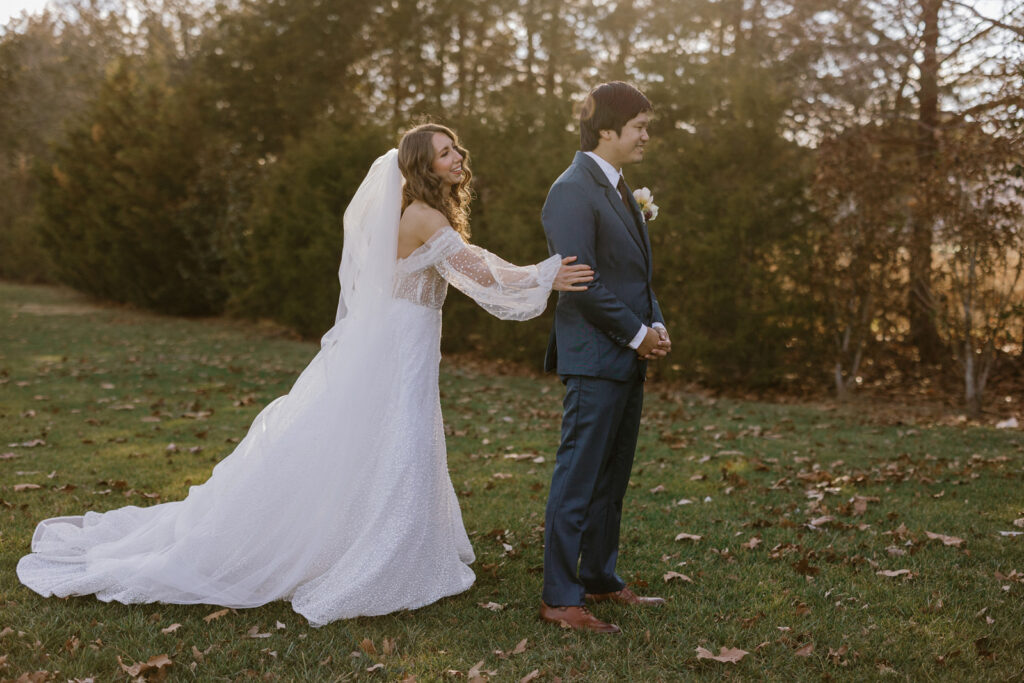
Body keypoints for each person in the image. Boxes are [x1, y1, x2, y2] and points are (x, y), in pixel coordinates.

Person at [16, 123, 594, 627]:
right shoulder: (419, 214)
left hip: (404, 339)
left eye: (456, 149)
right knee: (397, 436)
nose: (457, 157)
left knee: (389, 437)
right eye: (444, 152)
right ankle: (376, 552)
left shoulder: (419, 212)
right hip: (398, 344)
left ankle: (394, 541)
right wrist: (545, 276)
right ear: (420, 166)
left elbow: (471, 267)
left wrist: (535, 278)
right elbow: (477, 269)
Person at [539, 82, 671, 634]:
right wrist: (635, 333)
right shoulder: (571, 190)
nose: (646, 136)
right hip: (595, 357)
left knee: (611, 478)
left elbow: (633, 273)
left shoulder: (619, 189)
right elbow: (582, 283)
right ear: (607, 130)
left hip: (627, 355)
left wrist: (655, 322)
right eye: (639, 126)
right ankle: (559, 597)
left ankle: (599, 576)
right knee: (579, 477)